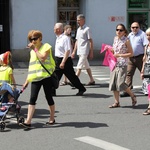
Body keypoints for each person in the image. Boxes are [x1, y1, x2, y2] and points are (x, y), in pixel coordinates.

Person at [19, 30, 56, 128]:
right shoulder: (32, 52)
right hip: (35, 78)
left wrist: (35, 49)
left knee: (49, 97)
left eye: (35, 38)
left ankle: (52, 117)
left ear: (40, 38)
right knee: (32, 99)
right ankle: (28, 121)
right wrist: (26, 81)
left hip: (46, 76)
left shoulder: (46, 46)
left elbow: (43, 58)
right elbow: (32, 67)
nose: (33, 41)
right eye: (31, 39)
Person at [109, 24, 137, 108]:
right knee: (114, 83)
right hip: (114, 63)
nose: (118, 31)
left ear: (124, 32)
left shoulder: (126, 40)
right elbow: (115, 50)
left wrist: (120, 55)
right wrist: (111, 50)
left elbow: (131, 53)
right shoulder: (115, 39)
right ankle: (116, 102)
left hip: (123, 64)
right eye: (117, 29)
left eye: (121, 30)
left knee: (120, 83)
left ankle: (132, 95)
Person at [54, 23, 86, 96]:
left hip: (65, 60)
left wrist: (63, 62)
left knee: (72, 77)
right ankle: (52, 91)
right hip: (58, 59)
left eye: (55, 29)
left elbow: (67, 51)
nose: (54, 30)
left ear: (58, 29)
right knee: (55, 76)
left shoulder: (65, 38)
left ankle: (81, 88)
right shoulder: (58, 37)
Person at [120, 22, 149, 97]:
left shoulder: (142, 34)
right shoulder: (130, 35)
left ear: (139, 27)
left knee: (144, 74)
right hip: (131, 58)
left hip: (140, 57)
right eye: (133, 27)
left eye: (136, 27)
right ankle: (128, 90)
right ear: (131, 28)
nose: (135, 29)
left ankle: (147, 89)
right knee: (129, 74)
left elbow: (145, 45)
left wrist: (145, 56)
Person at [72, 14, 95, 85]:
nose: (77, 22)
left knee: (79, 66)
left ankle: (75, 81)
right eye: (77, 20)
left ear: (83, 20)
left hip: (85, 51)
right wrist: (74, 51)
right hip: (80, 50)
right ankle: (92, 80)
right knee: (86, 66)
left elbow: (90, 41)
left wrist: (91, 52)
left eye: (79, 20)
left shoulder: (87, 29)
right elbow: (77, 41)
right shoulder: (78, 29)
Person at [140, 27, 150, 115]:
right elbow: (145, 59)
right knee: (148, 89)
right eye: (147, 35)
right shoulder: (146, 46)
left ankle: (149, 107)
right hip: (148, 68)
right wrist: (142, 71)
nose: (148, 36)